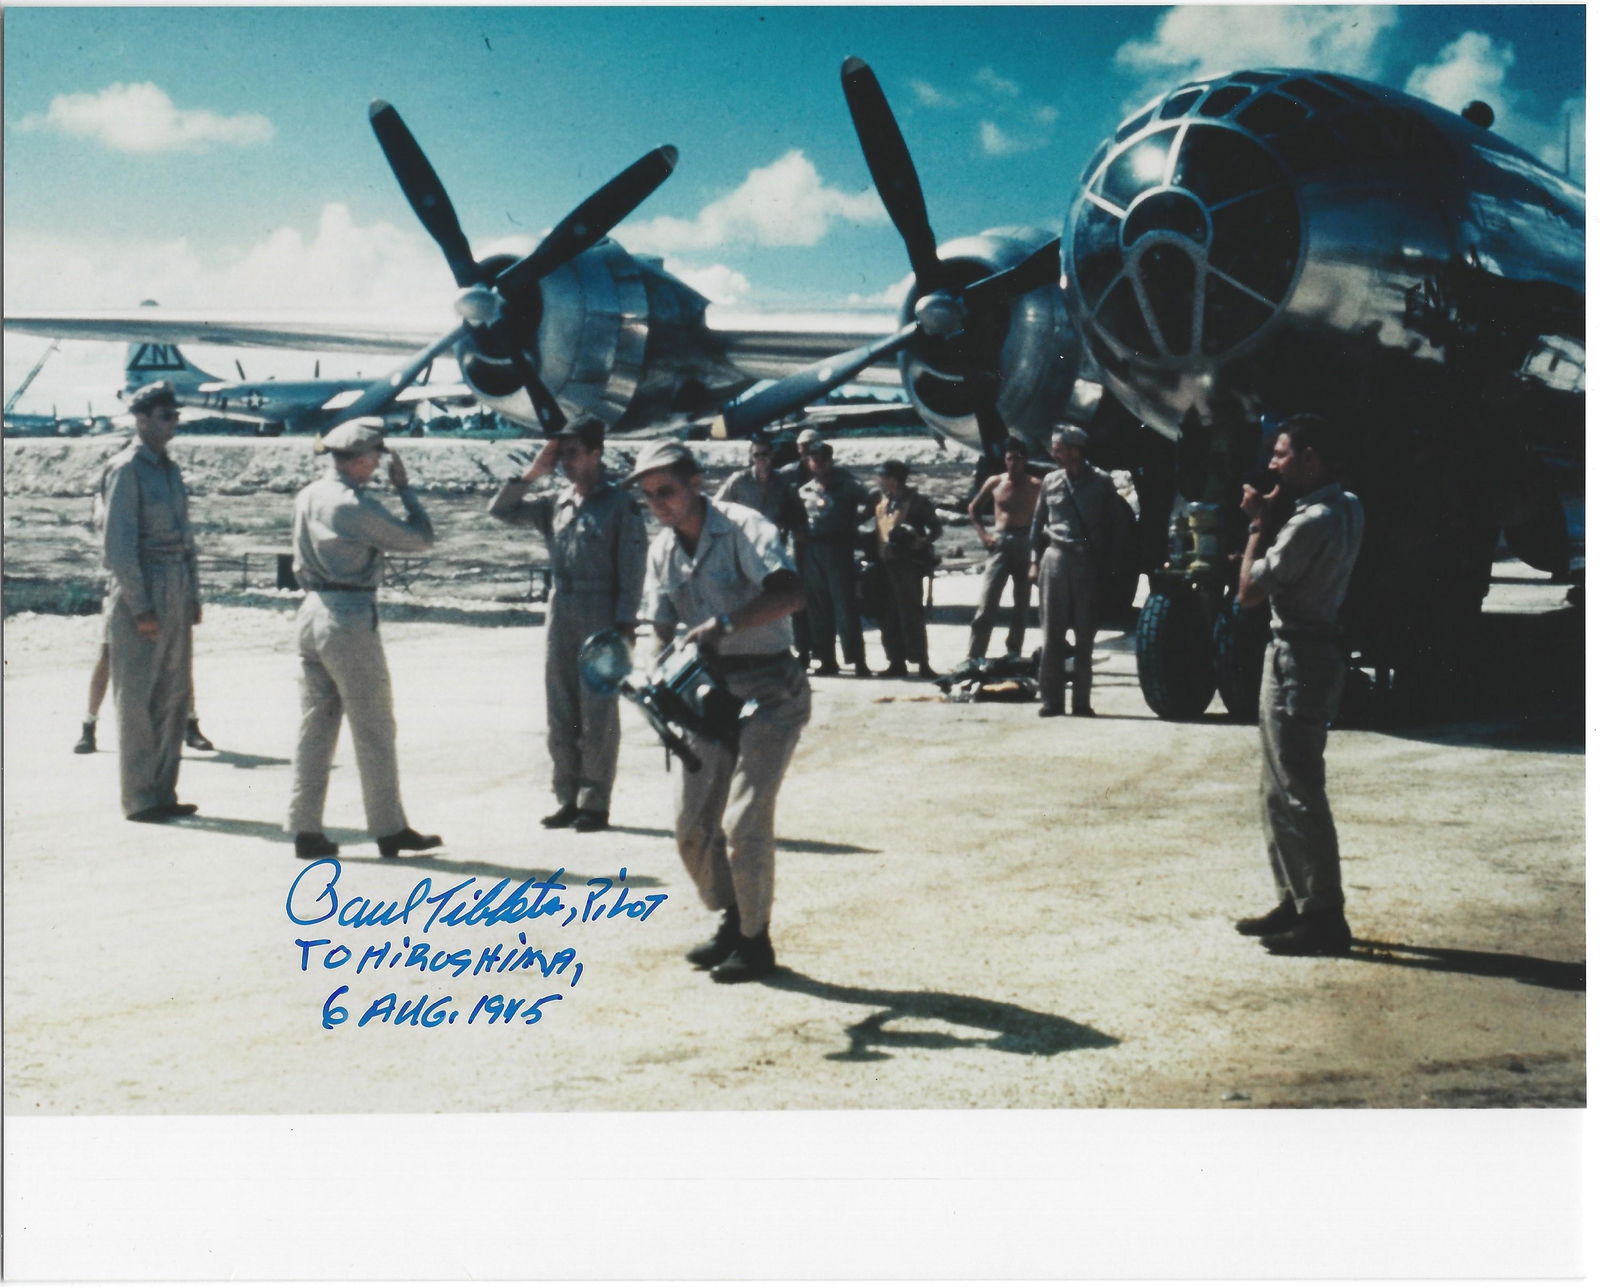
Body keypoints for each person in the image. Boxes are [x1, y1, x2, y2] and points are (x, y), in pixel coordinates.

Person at [628, 441, 810, 983]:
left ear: (695, 483)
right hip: (705, 693)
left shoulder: (743, 527)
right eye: (649, 496)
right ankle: (733, 918)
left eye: (666, 491)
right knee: (691, 826)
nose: (658, 504)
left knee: (744, 819)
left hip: (770, 688)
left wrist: (724, 625)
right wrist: (651, 672)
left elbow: (791, 594)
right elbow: (660, 625)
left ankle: (756, 942)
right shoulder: (663, 550)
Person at [1234, 413, 1364, 956]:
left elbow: (1248, 591)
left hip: (1297, 656)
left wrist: (1257, 527)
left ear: (1311, 458)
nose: (1272, 463)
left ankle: (1325, 916)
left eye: (1282, 453)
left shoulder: (1308, 523)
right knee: (1278, 784)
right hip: (1314, 649)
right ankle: (1296, 896)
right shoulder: (1347, 505)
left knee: (1297, 787)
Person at [286, 419, 442, 861]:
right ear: (357, 459)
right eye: (374, 457)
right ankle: (389, 828)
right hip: (349, 616)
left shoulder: (309, 495)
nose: (377, 465)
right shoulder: (354, 505)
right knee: (373, 726)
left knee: (315, 726)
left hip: (312, 610)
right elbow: (421, 540)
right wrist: (406, 491)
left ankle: (304, 827)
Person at [488, 417, 647, 832]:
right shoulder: (555, 503)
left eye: (572, 453)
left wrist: (625, 624)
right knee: (560, 705)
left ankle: (595, 801)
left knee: (597, 711)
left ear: (596, 453)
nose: (564, 462)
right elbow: (500, 510)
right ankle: (567, 796)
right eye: (560, 454)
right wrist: (532, 474)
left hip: (601, 610)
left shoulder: (619, 505)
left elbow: (633, 569)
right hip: (561, 608)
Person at [101, 381, 203, 821]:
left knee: (173, 693)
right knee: (138, 697)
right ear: (140, 419)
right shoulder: (126, 469)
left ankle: (164, 791)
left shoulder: (169, 470)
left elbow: (187, 538)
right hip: (143, 585)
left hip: (175, 582)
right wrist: (141, 607)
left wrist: (193, 593)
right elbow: (119, 548)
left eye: (176, 416)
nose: (173, 423)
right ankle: (140, 797)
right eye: (165, 416)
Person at [1029, 423, 1120, 717]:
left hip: (1087, 562)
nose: (1054, 454)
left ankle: (1081, 702)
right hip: (1055, 559)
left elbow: (1115, 527)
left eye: (1059, 449)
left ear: (1075, 451)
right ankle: (1051, 701)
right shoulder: (1050, 481)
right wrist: (1034, 560)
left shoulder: (1102, 482)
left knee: (1085, 635)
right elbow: (1037, 525)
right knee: (1051, 635)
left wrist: (1109, 567)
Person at [795, 440, 873, 676]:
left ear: (831, 460)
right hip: (812, 550)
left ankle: (857, 660)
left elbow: (872, 500)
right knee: (818, 608)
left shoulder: (848, 485)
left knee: (845, 606)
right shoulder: (804, 491)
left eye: (823, 459)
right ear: (809, 462)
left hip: (839, 548)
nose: (819, 463)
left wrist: (856, 523)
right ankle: (826, 659)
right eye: (814, 459)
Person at [966, 436, 1041, 665]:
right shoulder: (995, 482)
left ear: (1025, 460)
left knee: (1022, 602)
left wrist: (1039, 546)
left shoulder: (1035, 485)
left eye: (1017, 459)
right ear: (1005, 460)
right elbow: (973, 508)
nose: (1013, 463)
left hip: (1024, 540)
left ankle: (1013, 651)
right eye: (1009, 458)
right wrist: (983, 535)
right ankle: (975, 654)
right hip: (1000, 540)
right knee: (988, 600)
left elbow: (1045, 515)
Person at [869, 459, 942, 678]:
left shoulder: (917, 502)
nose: (879, 480)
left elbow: (936, 529)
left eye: (883, 476)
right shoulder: (882, 501)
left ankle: (922, 662)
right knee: (887, 615)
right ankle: (896, 661)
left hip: (907, 566)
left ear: (894, 479)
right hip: (884, 566)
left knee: (911, 614)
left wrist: (921, 542)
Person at [715, 431, 790, 531]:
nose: (761, 458)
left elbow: (794, 513)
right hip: (746, 536)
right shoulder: (739, 480)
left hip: (774, 536)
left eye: (765, 454)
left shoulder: (782, 482)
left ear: (772, 454)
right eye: (756, 455)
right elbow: (718, 504)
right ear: (751, 457)